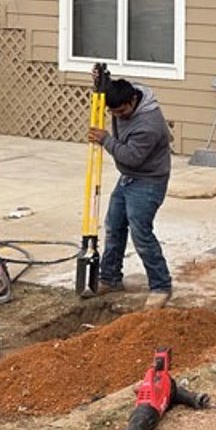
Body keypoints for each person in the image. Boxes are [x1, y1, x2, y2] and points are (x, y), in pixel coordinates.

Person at [90, 77, 175, 307]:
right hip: (127, 178)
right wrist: (100, 82)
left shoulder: (148, 125)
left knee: (141, 234)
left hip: (148, 180)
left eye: (121, 111)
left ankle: (161, 286)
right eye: (113, 112)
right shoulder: (125, 94)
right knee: (114, 225)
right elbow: (110, 88)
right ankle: (110, 278)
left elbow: (131, 157)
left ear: (133, 101)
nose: (118, 116)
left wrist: (106, 140)